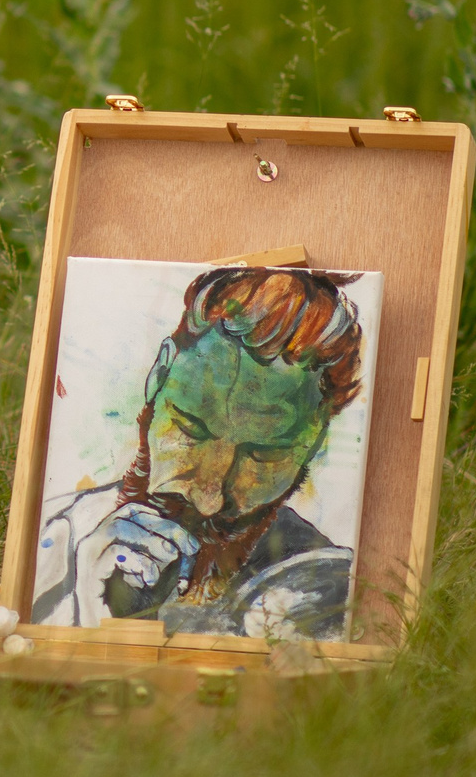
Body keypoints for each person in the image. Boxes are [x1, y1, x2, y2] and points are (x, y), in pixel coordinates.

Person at [30, 266, 366, 640]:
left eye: (262, 456)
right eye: (192, 429)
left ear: (314, 441)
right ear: (159, 373)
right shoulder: (53, 538)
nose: (208, 501)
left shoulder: (323, 592)